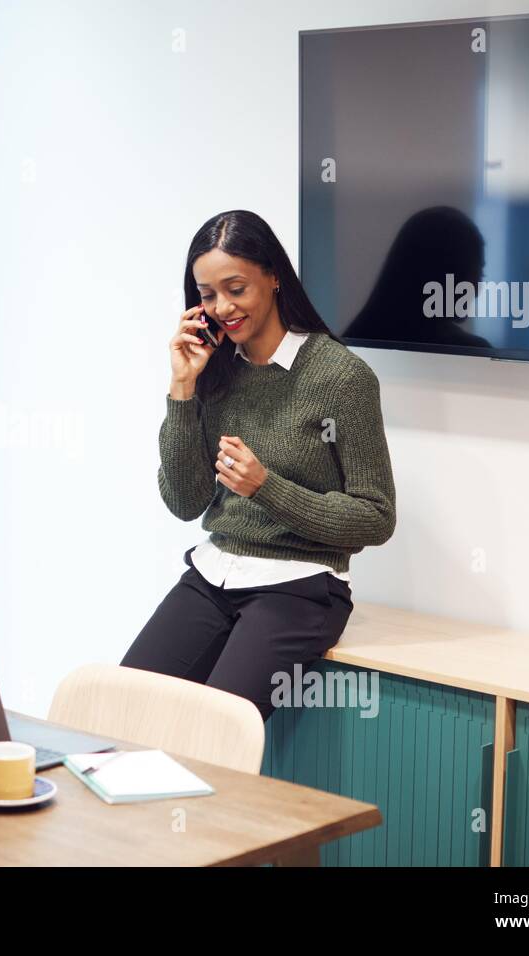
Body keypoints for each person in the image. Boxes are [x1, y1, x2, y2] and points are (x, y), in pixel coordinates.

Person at [120, 210, 397, 722]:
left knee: (216, 730)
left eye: (236, 288)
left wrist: (266, 487)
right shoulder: (214, 370)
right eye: (207, 294)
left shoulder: (342, 378)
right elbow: (184, 502)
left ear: (273, 276)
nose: (222, 307)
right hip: (214, 574)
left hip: (301, 586)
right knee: (124, 708)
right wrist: (182, 388)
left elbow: (376, 517)